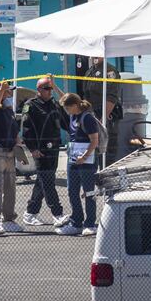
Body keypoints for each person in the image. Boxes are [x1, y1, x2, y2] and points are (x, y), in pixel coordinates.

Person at [20, 75, 71, 227]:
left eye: (51, 89)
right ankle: (57, 213)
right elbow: (26, 129)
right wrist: (33, 149)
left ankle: (30, 213)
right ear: (39, 90)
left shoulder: (55, 104)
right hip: (40, 150)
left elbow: (66, 122)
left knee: (42, 181)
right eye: (47, 89)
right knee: (48, 181)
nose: (50, 91)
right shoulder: (31, 105)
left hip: (54, 149)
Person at [0, 81, 24, 236]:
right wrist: (1, 90)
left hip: (9, 152)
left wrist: (19, 147)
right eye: (8, 92)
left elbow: (14, 132)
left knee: (10, 188)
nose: (10, 94)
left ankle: (8, 220)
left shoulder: (9, 110)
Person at [56, 93, 99, 236]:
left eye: (68, 108)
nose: (66, 112)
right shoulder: (72, 115)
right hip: (73, 158)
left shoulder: (87, 118)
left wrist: (85, 156)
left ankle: (90, 223)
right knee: (72, 191)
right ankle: (76, 222)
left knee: (89, 192)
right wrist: (55, 85)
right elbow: (65, 96)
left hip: (87, 160)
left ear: (75, 106)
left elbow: (94, 140)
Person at [83, 57, 121, 163]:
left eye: (97, 53)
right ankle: (96, 177)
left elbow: (112, 97)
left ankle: (107, 178)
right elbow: (86, 96)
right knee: (95, 149)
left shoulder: (109, 71)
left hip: (106, 114)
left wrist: (103, 117)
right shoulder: (90, 71)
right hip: (92, 114)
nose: (94, 56)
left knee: (107, 149)